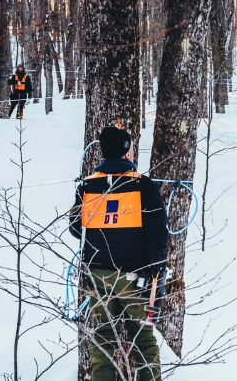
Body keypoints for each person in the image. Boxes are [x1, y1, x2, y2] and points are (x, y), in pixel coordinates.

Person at [69, 126, 168, 381]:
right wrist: (158, 271)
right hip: (134, 277)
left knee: (102, 340)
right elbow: (158, 233)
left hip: (97, 274)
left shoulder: (87, 185)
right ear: (126, 151)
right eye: (132, 146)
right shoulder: (142, 185)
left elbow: (74, 228)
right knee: (143, 340)